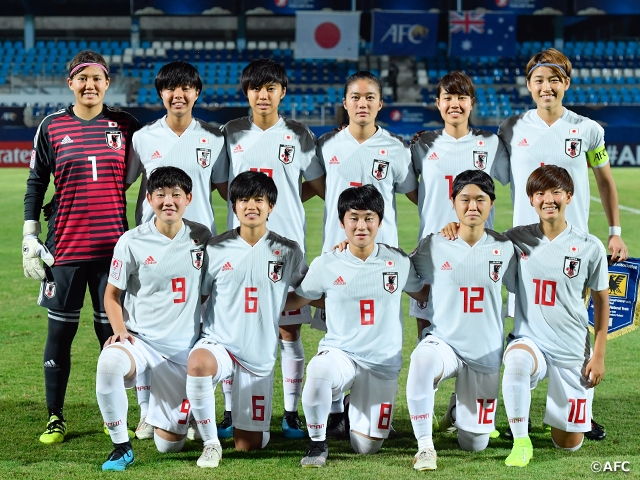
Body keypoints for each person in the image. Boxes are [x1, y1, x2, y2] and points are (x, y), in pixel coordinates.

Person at [494, 48, 627, 439]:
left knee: (576, 325)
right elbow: (487, 177)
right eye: (539, 80)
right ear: (529, 85)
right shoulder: (511, 128)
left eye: (554, 79)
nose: (546, 87)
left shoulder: (588, 130)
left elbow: (605, 180)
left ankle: (581, 408)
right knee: (523, 328)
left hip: (575, 248)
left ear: (566, 83)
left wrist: (615, 230)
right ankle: (518, 414)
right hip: (526, 249)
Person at [22, 50, 141, 444]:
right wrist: (29, 234)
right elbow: (36, 182)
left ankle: (122, 417)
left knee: (114, 335)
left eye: (97, 78)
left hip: (113, 252)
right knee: (60, 335)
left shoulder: (125, 125)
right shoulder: (52, 126)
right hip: (66, 250)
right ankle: (55, 416)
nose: (90, 85)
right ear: (70, 83)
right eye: (82, 78)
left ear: (107, 83)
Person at [284, 185, 428, 468]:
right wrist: (261, 300)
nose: (361, 226)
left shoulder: (398, 261)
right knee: (318, 372)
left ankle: (351, 405)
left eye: (368, 218)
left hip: (382, 363)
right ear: (342, 222)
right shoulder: (327, 263)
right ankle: (317, 444)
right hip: (342, 353)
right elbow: (300, 298)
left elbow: (422, 293)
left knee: (366, 447)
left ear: (380, 221)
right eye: (354, 218)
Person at [219, 58, 325, 439]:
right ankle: (231, 411)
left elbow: (318, 183)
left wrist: (284, 202)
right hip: (241, 248)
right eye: (255, 88)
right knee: (235, 330)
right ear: (246, 92)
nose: (262, 95)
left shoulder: (298, 134)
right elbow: (222, 184)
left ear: (283, 92)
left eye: (270, 88)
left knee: (289, 331)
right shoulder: (230, 133)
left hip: (288, 246)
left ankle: (291, 413)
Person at [125, 60, 227, 440]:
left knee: (198, 326)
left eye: (185, 87)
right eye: (170, 88)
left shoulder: (214, 138)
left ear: (196, 92)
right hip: (150, 248)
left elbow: (225, 190)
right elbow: (124, 183)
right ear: (161, 94)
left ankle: (198, 409)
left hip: (199, 248)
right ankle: (145, 412)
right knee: (145, 327)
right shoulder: (143, 138)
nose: (178, 94)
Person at [315, 71, 417, 436]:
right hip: (337, 255)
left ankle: (369, 407)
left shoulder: (396, 148)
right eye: (355, 97)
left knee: (379, 331)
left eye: (370, 97)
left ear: (380, 103)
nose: (362, 103)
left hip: (382, 260)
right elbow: (317, 187)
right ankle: (334, 411)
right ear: (344, 102)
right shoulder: (327, 146)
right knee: (336, 332)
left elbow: (412, 191)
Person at [186, 171, 308, 468]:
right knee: (198, 363)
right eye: (243, 200)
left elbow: (307, 289)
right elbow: (199, 297)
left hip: (258, 354)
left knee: (248, 446)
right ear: (234, 206)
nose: (251, 206)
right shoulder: (215, 248)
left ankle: (251, 426)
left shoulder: (288, 250)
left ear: (270, 206)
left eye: (258, 200)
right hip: (220, 343)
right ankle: (210, 443)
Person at [97, 166, 211, 471]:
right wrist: (119, 330)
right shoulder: (131, 241)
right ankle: (121, 447)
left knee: (169, 445)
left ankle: (182, 415)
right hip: (140, 341)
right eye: (160, 194)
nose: (168, 201)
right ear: (149, 199)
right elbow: (111, 295)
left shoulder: (201, 236)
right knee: (109, 364)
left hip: (181, 349)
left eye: (176, 194)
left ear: (188, 198)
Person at [406, 170, 516, 471]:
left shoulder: (505, 248)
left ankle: (456, 412)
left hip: (484, 353)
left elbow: (522, 286)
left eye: (480, 199)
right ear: (453, 202)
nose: (472, 206)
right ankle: (425, 447)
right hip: (445, 343)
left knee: (474, 443)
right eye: (464, 199)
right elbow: (402, 271)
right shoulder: (434, 244)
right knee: (421, 362)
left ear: (491, 204)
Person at [500, 165, 609, 467]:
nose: (548, 199)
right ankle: (521, 441)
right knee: (517, 361)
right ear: (531, 200)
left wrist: (599, 355)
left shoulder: (589, 247)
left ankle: (559, 417)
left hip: (572, 349)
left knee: (568, 444)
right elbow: (476, 239)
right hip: (530, 341)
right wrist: (453, 227)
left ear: (569, 197)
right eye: (540, 193)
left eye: (556, 192)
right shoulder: (514, 239)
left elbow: (602, 303)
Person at [409, 71, 509, 343]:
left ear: (472, 102)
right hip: (432, 248)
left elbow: (516, 177)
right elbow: (410, 188)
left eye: (462, 97)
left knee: (474, 327)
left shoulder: (490, 144)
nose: (455, 104)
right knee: (427, 329)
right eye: (448, 97)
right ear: (438, 103)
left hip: (477, 249)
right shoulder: (423, 144)